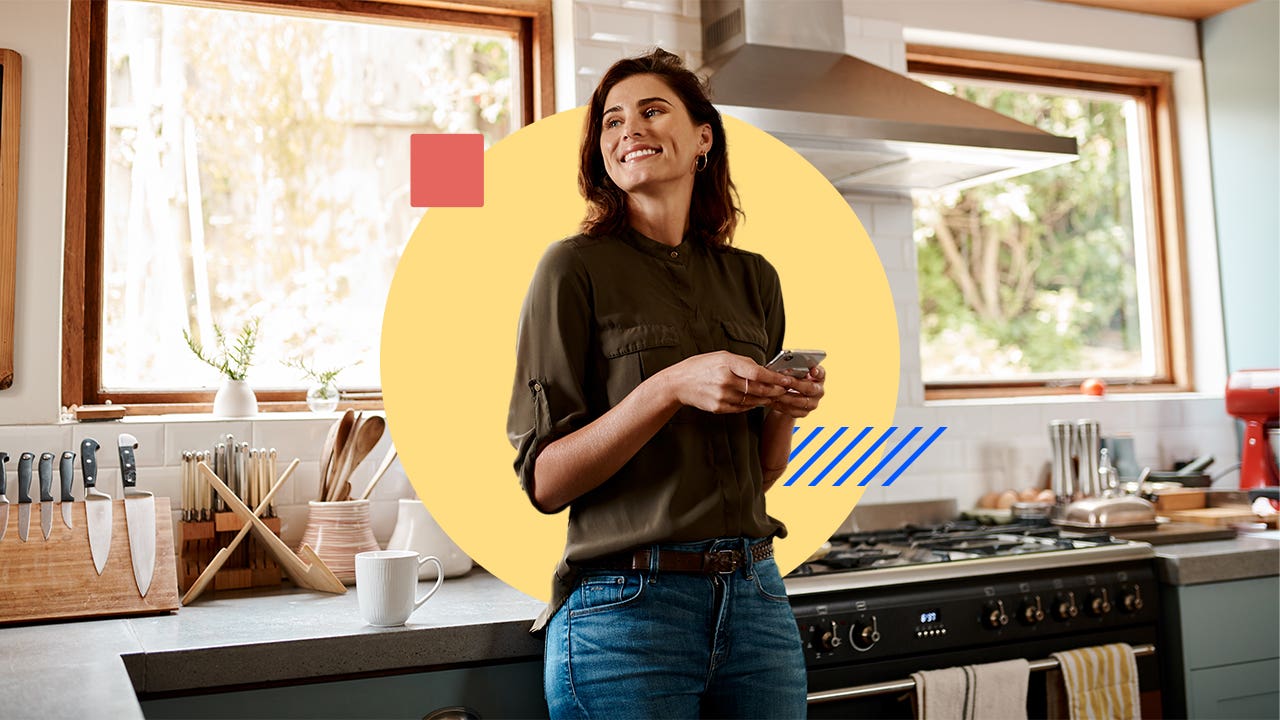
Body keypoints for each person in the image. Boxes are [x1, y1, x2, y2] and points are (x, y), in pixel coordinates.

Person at [507, 48, 825, 720]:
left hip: (756, 597)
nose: (630, 129)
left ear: (703, 137)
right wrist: (668, 386)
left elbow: (759, 475)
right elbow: (546, 482)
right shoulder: (571, 270)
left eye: (653, 110)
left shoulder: (754, 279)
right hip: (626, 611)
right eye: (612, 120)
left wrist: (784, 410)